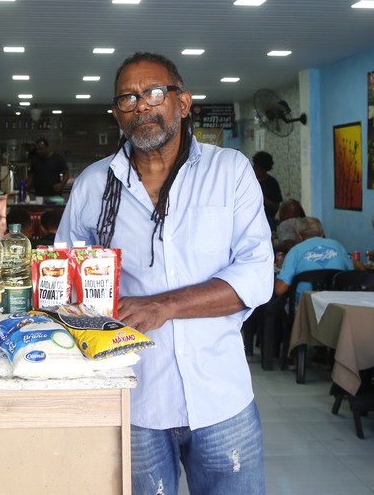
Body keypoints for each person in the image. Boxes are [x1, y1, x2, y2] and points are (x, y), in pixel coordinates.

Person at [55, 52, 272, 495]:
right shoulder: (94, 185)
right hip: (135, 398)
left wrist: (163, 306)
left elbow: (256, 275)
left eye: (154, 92)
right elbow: (63, 280)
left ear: (184, 102)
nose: (142, 106)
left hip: (221, 397)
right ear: (117, 112)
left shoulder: (229, 172)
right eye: (128, 98)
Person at [274, 217, 353, 303]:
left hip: (305, 307)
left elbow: (279, 290)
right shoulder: (338, 246)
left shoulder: (295, 251)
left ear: (299, 236)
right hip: (336, 306)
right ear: (322, 234)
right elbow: (351, 275)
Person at [252, 151, 282, 230]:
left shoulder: (272, 183)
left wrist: (262, 198)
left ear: (264, 169)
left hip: (267, 218)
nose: (254, 169)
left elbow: (276, 207)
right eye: (254, 167)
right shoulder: (249, 181)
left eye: (258, 168)